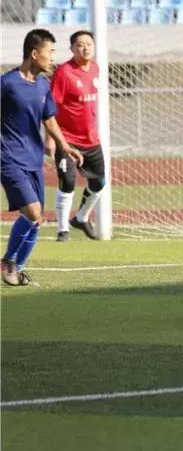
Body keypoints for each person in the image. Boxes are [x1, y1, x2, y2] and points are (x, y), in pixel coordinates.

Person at [2, 29, 85, 286]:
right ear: (34, 54)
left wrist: (65, 146)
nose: (53, 58)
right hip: (8, 158)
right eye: (50, 52)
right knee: (33, 212)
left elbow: (49, 120)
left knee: (36, 221)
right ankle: (7, 261)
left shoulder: (43, 85)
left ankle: (16, 270)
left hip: (34, 159)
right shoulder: (7, 83)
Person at [45, 30, 106, 241]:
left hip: (91, 139)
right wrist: (50, 138)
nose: (85, 48)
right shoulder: (64, 73)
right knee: (68, 182)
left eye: (89, 44)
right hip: (67, 139)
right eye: (80, 44)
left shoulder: (96, 68)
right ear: (72, 48)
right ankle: (63, 230)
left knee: (99, 183)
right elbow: (50, 107)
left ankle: (81, 218)